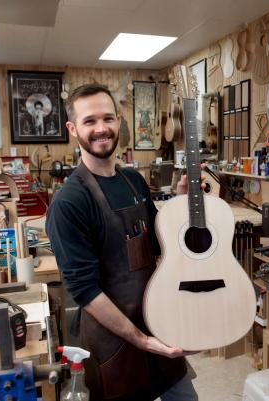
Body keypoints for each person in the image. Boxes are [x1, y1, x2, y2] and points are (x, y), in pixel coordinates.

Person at [46, 84, 199, 401]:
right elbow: (86, 291)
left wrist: (182, 207)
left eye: (108, 118)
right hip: (111, 341)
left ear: (119, 121)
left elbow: (161, 245)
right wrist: (140, 340)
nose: (101, 129)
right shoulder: (70, 202)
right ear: (73, 129)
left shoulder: (134, 181)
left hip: (156, 322)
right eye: (90, 121)